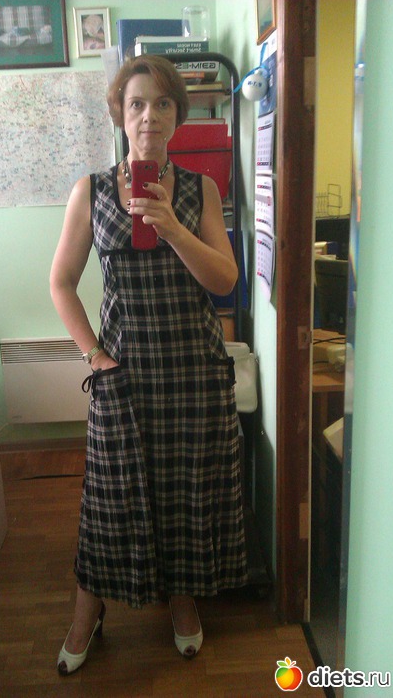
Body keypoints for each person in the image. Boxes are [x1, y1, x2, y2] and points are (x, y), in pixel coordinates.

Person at [50, 54, 247, 675]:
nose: (149, 116)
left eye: (162, 104)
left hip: (193, 373)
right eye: (137, 104)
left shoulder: (200, 190)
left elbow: (225, 281)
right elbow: (60, 282)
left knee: (186, 494)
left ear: (177, 116)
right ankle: (87, 612)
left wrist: (173, 230)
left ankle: (183, 603)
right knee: (108, 501)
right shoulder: (91, 191)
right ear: (120, 113)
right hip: (124, 376)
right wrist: (96, 356)